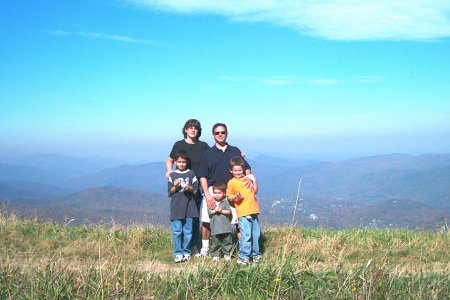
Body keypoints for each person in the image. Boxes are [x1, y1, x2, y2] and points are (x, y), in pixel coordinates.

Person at [197, 123, 252, 257]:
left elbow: (246, 168)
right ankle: (205, 249)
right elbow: (202, 175)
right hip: (213, 190)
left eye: (222, 132)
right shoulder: (208, 154)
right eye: (217, 133)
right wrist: (207, 195)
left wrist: (249, 179)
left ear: (227, 134)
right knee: (207, 220)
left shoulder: (235, 151)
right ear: (213, 135)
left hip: (232, 190)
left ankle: (242, 249)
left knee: (237, 220)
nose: (220, 135)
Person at [166, 119, 209, 254]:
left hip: (197, 185)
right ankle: (181, 248)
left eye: (195, 128)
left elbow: (213, 156)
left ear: (199, 131)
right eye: (190, 128)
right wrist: (170, 173)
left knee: (194, 216)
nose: (193, 130)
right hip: (180, 187)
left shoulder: (203, 146)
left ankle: (192, 246)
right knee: (181, 215)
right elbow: (170, 160)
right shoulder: (178, 144)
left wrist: (238, 156)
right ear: (185, 130)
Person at [227, 156, 261, 265]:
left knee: (256, 234)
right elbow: (229, 197)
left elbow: (255, 191)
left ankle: (255, 254)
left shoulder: (247, 179)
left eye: (240, 170)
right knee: (246, 235)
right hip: (243, 211)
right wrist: (236, 196)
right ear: (231, 171)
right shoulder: (232, 182)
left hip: (254, 210)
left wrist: (253, 181)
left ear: (243, 169)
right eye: (235, 170)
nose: (237, 172)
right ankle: (244, 256)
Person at [167, 151, 199, 263]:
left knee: (188, 231)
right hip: (176, 207)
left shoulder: (191, 174)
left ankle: (186, 251)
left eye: (183, 162)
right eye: (179, 162)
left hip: (190, 207)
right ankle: (178, 252)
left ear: (187, 162)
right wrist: (175, 186)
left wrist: (188, 187)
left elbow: (195, 190)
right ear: (175, 162)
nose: (181, 164)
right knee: (177, 231)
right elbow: (170, 192)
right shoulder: (172, 175)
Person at [208, 182, 233, 261]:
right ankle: (215, 254)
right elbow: (209, 212)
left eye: (219, 193)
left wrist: (221, 210)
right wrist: (215, 210)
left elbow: (229, 212)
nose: (217, 195)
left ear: (224, 193)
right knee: (216, 242)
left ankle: (227, 253)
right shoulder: (212, 202)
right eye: (215, 193)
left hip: (226, 227)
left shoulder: (225, 202)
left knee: (227, 241)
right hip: (215, 228)